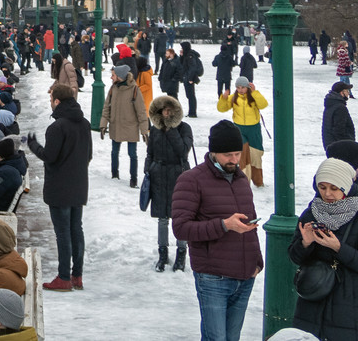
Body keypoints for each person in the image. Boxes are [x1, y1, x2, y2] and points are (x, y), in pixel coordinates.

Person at [172, 120, 263, 341]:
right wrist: (224, 225)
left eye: (237, 154)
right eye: (228, 155)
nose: (234, 160)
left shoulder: (242, 180)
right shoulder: (191, 180)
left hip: (245, 276)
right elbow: (181, 228)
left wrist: (257, 263)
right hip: (213, 278)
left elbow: (249, 226)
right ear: (213, 152)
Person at [25, 83, 92, 292]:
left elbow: (49, 157)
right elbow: (88, 155)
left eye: (51, 98)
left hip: (59, 187)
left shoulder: (57, 127)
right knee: (76, 229)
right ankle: (77, 275)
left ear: (57, 101)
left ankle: (63, 277)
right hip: (79, 184)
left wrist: (33, 145)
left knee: (62, 232)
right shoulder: (84, 124)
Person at [289, 158, 358, 340]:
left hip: (348, 304)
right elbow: (295, 257)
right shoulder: (312, 211)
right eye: (322, 187)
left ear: (345, 187)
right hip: (312, 299)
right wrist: (305, 244)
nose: (327, 193)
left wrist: (338, 248)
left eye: (334, 188)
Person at [145, 95, 193, 273]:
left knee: (180, 217)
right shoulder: (155, 129)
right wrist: (148, 169)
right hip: (158, 176)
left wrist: (171, 129)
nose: (166, 113)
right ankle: (162, 253)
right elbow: (150, 151)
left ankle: (181, 253)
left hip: (178, 176)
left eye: (169, 110)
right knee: (162, 218)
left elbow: (182, 150)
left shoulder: (184, 128)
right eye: (163, 110)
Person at [216, 76, 269, 188]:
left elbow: (263, 104)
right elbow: (221, 109)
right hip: (239, 129)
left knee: (255, 154)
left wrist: (255, 92)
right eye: (238, 87)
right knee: (243, 154)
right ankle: (244, 181)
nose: (240, 90)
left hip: (254, 129)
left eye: (243, 87)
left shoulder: (253, 96)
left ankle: (258, 180)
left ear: (247, 87)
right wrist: (223, 99)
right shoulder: (234, 97)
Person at [100, 63, 147, 187]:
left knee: (132, 154)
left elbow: (141, 111)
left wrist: (144, 130)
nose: (111, 77)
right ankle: (114, 174)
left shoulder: (134, 90)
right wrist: (103, 124)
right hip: (116, 125)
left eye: (113, 75)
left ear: (120, 76)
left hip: (130, 126)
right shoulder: (113, 88)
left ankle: (134, 179)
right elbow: (106, 108)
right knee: (114, 152)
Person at [323, 81, 355, 151]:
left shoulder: (331, 104)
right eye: (347, 91)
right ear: (341, 93)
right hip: (340, 147)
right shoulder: (340, 108)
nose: (348, 93)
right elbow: (339, 130)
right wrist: (349, 145)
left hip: (330, 144)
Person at [180, 42, 203, 118]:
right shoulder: (186, 55)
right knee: (189, 95)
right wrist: (181, 56)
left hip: (189, 78)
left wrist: (190, 78)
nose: (181, 49)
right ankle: (191, 111)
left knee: (191, 96)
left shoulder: (190, 55)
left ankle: (192, 112)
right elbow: (183, 65)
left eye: (182, 48)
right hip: (186, 77)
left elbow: (192, 68)